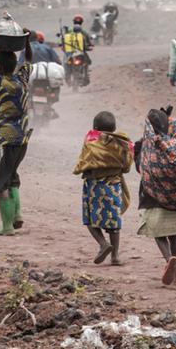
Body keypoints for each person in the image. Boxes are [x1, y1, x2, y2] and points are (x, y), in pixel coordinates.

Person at [134, 106, 176, 288]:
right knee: (175, 235)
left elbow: (140, 168)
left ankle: (168, 258)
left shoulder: (145, 145)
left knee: (157, 232)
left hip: (153, 196)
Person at [73, 110, 133, 265]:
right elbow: (126, 166)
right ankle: (115, 256)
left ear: (95, 127)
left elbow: (83, 162)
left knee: (90, 220)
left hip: (94, 186)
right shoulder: (122, 143)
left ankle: (103, 244)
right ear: (114, 128)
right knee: (114, 223)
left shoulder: (91, 141)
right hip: (113, 186)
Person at [0, 43, 32, 236]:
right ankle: (17, 216)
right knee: (12, 176)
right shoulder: (21, 79)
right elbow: (28, 60)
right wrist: (27, 43)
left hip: (2, 140)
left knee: (0, 182)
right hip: (22, 139)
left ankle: (7, 226)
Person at [62, 15, 93, 83]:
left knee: (65, 62)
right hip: (80, 53)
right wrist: (89, 47)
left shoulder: (69, 31)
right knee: (87, 62)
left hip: (69, 53)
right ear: (82, 22)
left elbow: (64, 42)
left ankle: (67, 77)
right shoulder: (84, 33)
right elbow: (88, 43)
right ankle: (86, 75)